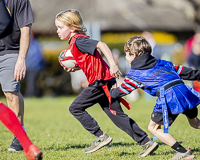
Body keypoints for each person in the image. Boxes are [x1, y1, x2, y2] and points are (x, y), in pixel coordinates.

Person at [55, 9, 158, 157]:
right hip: (105, 81)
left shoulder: (78, 40)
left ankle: (100, 136)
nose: (57, 31)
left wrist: (113, 64)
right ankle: (146, 142)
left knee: (75, 108)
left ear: (71, 27)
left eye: (60, 27)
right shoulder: (75, 41)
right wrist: (77, 66)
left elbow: (102, 45)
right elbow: (90, 60)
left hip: (100, 82)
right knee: (117, 116)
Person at [110, 35, 200, 159]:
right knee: (194, 122)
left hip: (169, 97)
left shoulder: (134, 74)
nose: (125, 57)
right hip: (184, 91)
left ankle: (183, 153)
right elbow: (184, 71)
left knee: (153, 127)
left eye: (126, 54)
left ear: (133, 56)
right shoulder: (162, 62)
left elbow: (123, 90)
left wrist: (112, 92)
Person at [0, 0, 43, 159]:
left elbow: (25, 28)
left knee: (11, 91)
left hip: (9, 51)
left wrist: (21, 59)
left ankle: (19, 137)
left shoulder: (19, 0)